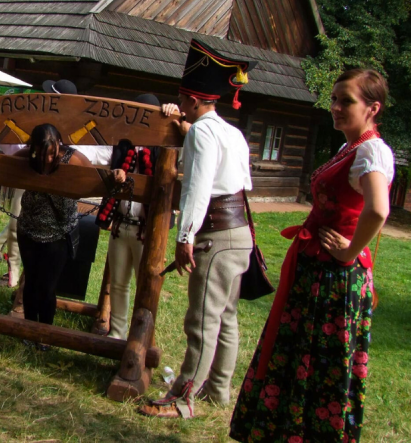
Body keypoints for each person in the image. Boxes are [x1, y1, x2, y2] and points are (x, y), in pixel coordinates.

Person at [230, 69, 392, 443]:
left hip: (334, 279)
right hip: (316, 271)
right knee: (298, 355)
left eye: (346, 101)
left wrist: (350, 251)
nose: (335, 107)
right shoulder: (350, 148)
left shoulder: (372, 151)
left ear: (372, 108)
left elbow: (378, 210)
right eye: (334, 99)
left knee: (317, 363)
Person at [140, 40, 255, 419]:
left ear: (191, 100)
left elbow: (197, 188)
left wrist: (185, 236)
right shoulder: (231, 132)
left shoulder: (201, 134)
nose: (179, 101)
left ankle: (183, 399)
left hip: (215, 236)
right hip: (239, 233)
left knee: (202, 320)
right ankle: (218, 391)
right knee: (226, 317)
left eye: (181, 97)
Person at [0, 124, 124, 342]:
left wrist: (115, 175)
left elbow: (95, 178)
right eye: (42, 154)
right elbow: (0, 163)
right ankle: (29, 331)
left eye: (52, 153)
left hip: (58, 233)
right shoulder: (27, 156)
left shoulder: (73, 158)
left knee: (48, 287)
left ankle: (45, 335)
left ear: (59, 145)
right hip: (29, 229)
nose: (48, 159)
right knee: (31, 283)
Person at [97, 93, 162, 340]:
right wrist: (116, 172)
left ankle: (141, 335)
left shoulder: (160, 149)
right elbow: (108, 165)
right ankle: (117, 332)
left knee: (144, 286)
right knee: (119, 283)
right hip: (121, 225)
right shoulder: (123, 145)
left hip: (145, 230)